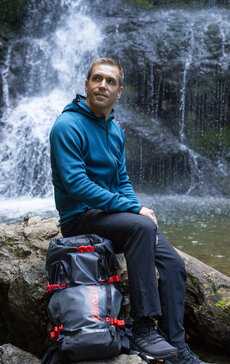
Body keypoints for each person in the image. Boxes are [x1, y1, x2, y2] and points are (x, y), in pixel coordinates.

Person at [49, 57, 208, 364]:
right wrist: (134, 210)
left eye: (110, 81)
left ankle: (177, 348)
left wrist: (137, 212)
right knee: (142, 227)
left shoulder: (115, 131)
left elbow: (122, 181)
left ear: (119, 91)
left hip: (108, 217)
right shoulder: (67, 126)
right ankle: (144, 328)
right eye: (96, 79)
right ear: (86, 85)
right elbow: (76, 185)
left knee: (173, 263)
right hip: (80, 218)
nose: (102, 85)